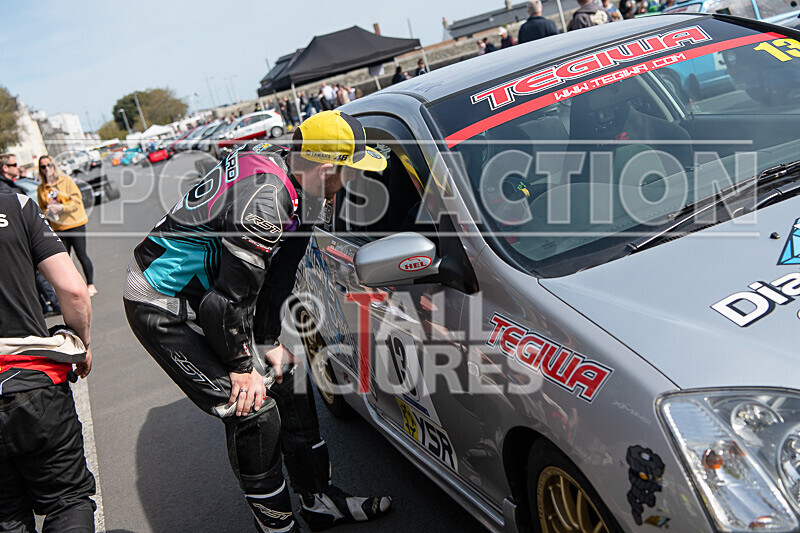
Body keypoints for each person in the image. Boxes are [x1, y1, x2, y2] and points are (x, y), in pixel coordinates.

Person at [123, 110, 393, 533]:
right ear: (327, 168)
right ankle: (276, 527)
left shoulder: (299, 171)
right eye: (350, 171)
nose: (354, 181)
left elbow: (280, 273)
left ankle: (319, 502)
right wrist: (241, 367)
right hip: (163, 300)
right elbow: (224, 305)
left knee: (289, 378)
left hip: (212, 294)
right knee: (252, 409)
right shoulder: (266, 204)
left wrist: (268, 340)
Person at [0, 186, 95, 532]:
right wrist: (81, 344)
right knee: (67, 502)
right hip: (31, 382)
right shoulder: (15, 204)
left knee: (6, 517)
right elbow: (74, 290)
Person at [36, 156, 98, 298]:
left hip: (75, 223)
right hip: (58, 227)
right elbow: (42, 208)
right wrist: (49, 211)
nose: (47, 169)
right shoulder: (41, 188)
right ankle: (74, 287)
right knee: (65, 260)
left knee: (81, 254)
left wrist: (62, 208)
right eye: (43, 167)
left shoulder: (66, 181)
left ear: (54, 166)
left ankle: (90, 284)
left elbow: (76, 201)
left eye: (49, 165)